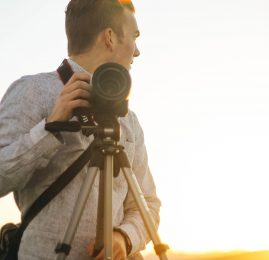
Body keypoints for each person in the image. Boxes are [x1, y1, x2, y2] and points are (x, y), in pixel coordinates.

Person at [0, 0, 161, 259]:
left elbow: (148, 205)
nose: (137, 51)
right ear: (110, 37)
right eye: (134, 37)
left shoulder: (129, 120)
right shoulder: (32, 92)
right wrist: (50, 129)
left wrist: (125, 238)